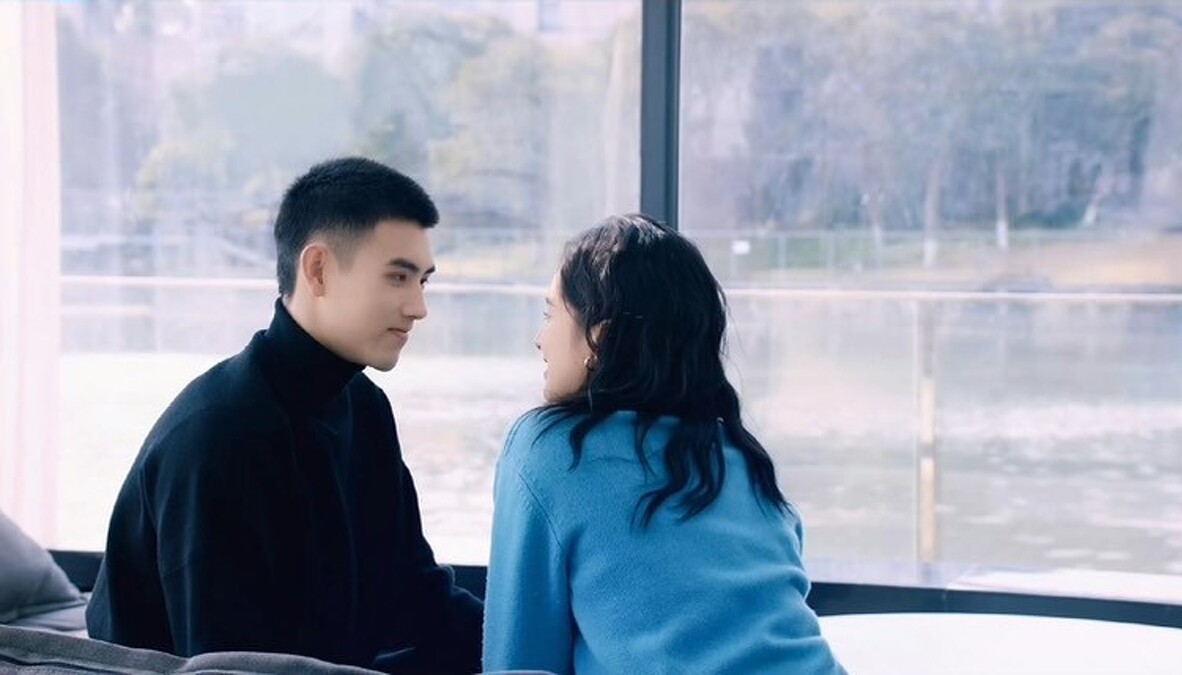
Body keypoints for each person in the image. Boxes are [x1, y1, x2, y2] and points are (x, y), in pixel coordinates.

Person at [86, 157, 483, 674]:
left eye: (422, 282)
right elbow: (225, 664)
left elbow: (413, 590)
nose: (417, 307)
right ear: (317, 269)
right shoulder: (218, 437)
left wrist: (539, 646)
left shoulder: (363, 405)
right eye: (397, 277)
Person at [483, 214, 846, 675]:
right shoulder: (742, 458)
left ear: (599, 337)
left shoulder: (548, 449)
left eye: (550, 314)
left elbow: (518, 659)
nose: (540, 339)